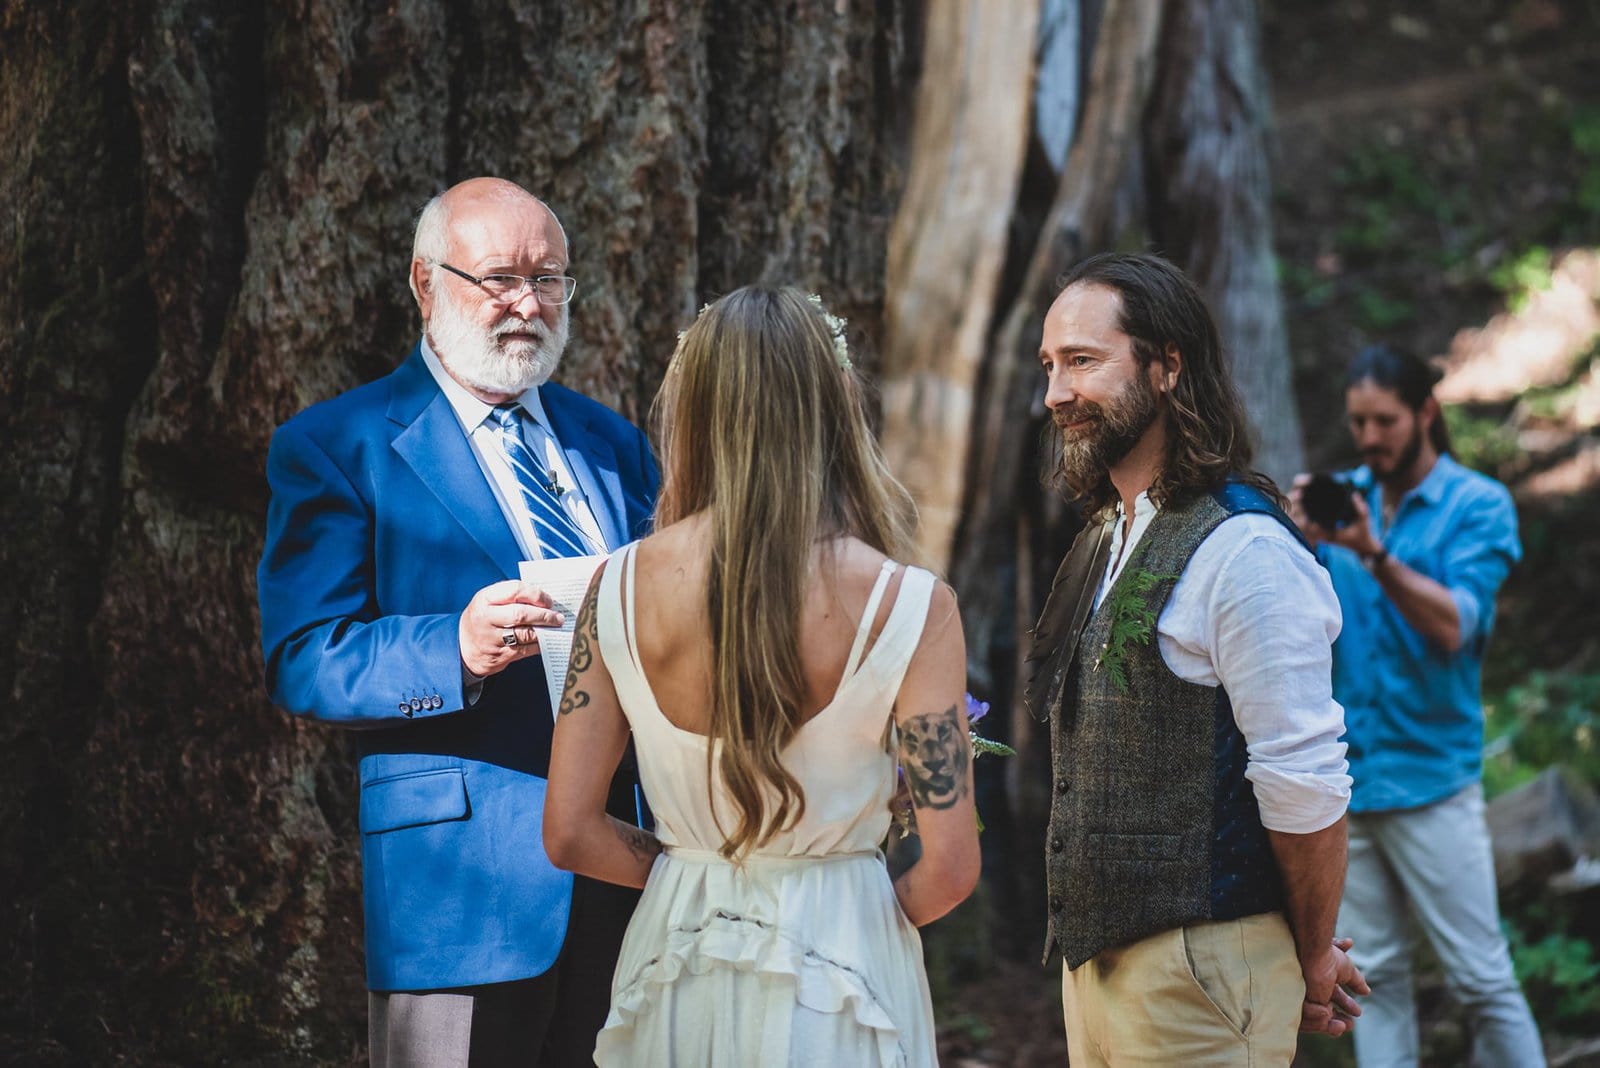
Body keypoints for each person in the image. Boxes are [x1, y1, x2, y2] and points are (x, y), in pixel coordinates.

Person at [257, 177, 659, 1066]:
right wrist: (456, 649)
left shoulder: (613, 445)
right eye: (498, 278)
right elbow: (302, 655)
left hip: (633, 874)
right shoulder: (339, 444)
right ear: (424, 282)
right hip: (462, 892)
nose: (527, 302)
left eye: (549, 279)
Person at [542, 285, 981, 1067]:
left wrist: (692, 873)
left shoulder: (612, 589)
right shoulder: (911, 605)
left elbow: (569, 830)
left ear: (694, 411)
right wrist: (855, 906)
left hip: (676, 954)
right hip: (845, 967)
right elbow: (947, 867)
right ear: (834, 409)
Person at [1021, 252, 1367, 1065]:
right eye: (1048, 365)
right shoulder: (1111, 532)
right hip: (1097, 980)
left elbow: (1304, 777)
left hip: (1202, 972)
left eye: (1082, 361)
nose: (1055, 394)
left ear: (1168, 365)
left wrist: (1313, 958)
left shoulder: (1244, 548)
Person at [1291, 344, 1544, 1067]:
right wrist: (1295, 545)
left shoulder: (1477, 504)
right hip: (1350, 787)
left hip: (1433, 781)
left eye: (1385, 420)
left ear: (1425, 411)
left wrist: (1372, 554)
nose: (1369, 438)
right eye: (1357, 422)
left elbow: (1457, 625)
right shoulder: (1340, 497)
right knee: (1375, 984)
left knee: (1481, 978)